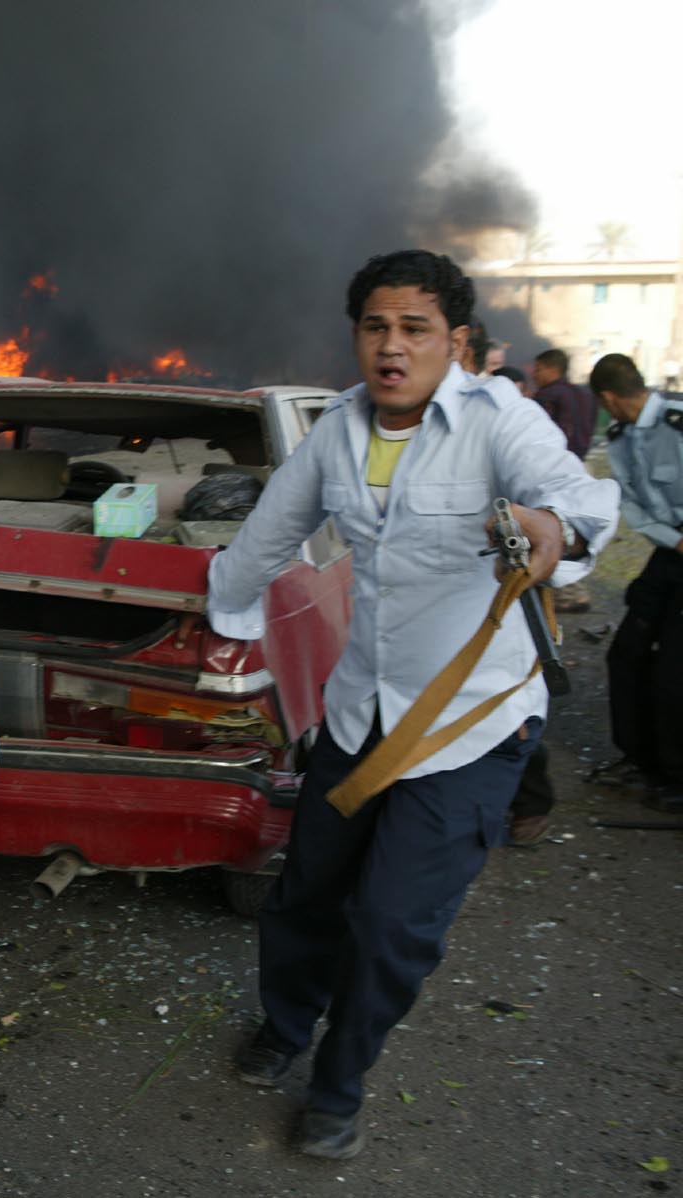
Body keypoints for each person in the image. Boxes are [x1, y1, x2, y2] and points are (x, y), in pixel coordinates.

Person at [207, 250, 618, 1159]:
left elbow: (576, 502)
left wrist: (554, 530)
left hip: (468, 729)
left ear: (457, 341)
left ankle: (340, 1083)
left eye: (415, 328)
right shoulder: (336, 432)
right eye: (375, 327)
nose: (391, 347)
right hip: (359, 717)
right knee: (305, 893)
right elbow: (268, 533)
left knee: (394, 925)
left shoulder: (498, 420)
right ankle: (285, 1025)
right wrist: (220, 614)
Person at [591, 354, 683, 813]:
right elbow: (634, 508)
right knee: (626, 652)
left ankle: (675, 777)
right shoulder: (620, 438)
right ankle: (638, 757)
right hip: (670, 555)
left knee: (673, 675)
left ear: (608, 398)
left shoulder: (678, 423)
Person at [531, 348, 598, 461]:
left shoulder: (546, 395)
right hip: (580, 459)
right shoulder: (587, 395)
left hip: (553, 461)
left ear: (553, 369)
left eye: (538, 370)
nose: (534, 375)